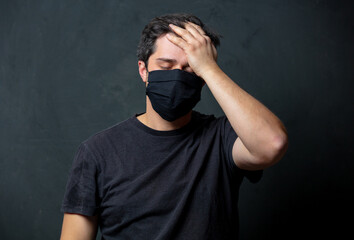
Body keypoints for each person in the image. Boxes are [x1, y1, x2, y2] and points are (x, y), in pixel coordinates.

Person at [60, 13, 288, 240]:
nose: (178, 77)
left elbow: (272, 143)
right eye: (166, 66)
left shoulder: (222, 139)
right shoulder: (97, 152)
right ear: (143, 70)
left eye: (190, 69)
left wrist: (209, 68)